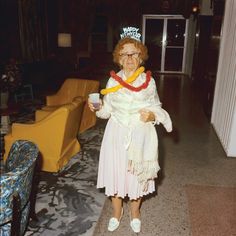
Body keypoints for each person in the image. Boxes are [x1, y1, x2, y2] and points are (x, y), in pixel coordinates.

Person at [88, 27, 172, 233]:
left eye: (134, 53)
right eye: (124, 54)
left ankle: (135, 212)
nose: (129, 58)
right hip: (115, 134)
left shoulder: (148, 81)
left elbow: (157, 107)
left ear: (141, 56)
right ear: (118, 58)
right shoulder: (112, 81)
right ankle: (117, 212)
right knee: (115, 174)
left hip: (140, 135)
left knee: (137, 176)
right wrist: (97, 108)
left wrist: (152, 116)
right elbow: (106, 111)